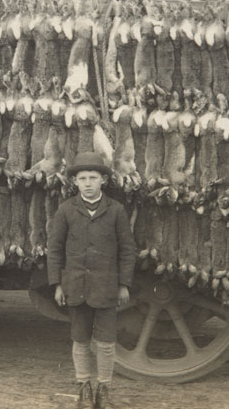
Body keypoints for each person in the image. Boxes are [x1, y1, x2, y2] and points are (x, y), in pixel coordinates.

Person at [47, 151, 136, 409]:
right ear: (75, 182)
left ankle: (104, 389)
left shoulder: (116, 210)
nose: (87, 183)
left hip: (106, 287)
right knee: (80, 339)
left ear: (103, 181)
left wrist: (123, 285)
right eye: (82, 178)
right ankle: (84, 387)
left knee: (107, 342)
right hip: (76, 286)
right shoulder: (66, 210)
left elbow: (127, 250)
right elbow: (55, 249)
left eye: (93, 177)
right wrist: (57, 284)